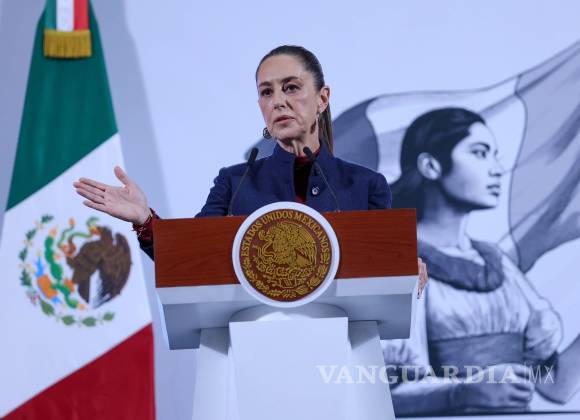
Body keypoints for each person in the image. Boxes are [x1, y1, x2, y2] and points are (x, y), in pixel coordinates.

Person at [73, 45, 428, 285]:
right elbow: (190, 258)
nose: (278, 101)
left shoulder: (366, 185)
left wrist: (401, 269)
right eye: (266, 92)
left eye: (291, 88)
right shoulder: (235, 183)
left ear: (323, 98)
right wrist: (145, 220)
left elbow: (381, 270)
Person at [383, 107, 580, 415]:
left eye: (494, 155)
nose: (497, 169)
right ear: (430, 166)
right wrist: (460, 393)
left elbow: (555, 385)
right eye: (480, 153)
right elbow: (379, 392)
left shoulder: (495, 261)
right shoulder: (395, 260)